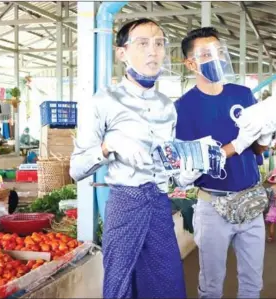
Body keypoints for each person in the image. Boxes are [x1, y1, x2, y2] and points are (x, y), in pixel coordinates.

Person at [69, 19, 196, 299]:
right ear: (122, 53)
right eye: (142, 43)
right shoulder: (102, 101)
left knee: (167, 283)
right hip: (125, 204)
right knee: (120, 283)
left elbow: (170, 163)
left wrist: (184, 172)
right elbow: (76, 168)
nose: (153, 51)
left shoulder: (167, 106)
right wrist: (108, 145)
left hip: (160, 206)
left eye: (159, 43)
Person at [175, 27, 276, 298]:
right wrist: (236, 144)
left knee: (252, 284)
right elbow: (194, 162)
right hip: (213, 207)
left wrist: (266, 134)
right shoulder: (183, 108)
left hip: (250, 201)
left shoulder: (243, 95)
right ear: (191, 63)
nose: (217, 58)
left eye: (219, 51)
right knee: (211, 286)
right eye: (207, 54)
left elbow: (257, 149)